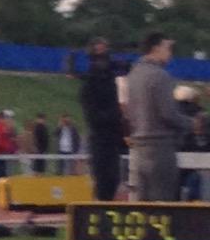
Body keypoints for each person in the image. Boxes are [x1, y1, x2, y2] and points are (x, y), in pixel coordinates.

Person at [127, 33, 192, 201]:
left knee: (143, 204)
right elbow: (168, 114)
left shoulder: (133, 75)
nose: (170, 53)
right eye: (167, 48)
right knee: (162, 203)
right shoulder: (160, 76)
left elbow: (129, 112)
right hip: (160, 146)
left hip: (139, 148)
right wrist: (190, 123)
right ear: (156, 48)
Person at [78, 37, 126, 200]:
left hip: (111, 139)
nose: (104, 57)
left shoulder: (110, 80)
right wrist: (116, 114)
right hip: (100, 139)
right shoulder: (90, 84)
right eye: (99, 51)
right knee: (105, 181)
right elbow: (93, 117)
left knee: (113, 180)